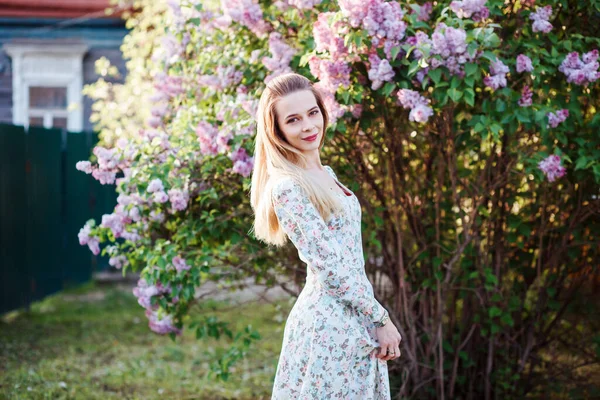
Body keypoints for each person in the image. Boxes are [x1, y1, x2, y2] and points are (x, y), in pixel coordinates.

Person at [250, 72, 402, 399]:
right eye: (293, 120)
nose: (307, 126)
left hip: (354, 316)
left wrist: (369, 315)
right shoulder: (288, 188)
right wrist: (379, 317)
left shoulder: (325, 174)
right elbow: (330, 266)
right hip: (329, 326)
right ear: (277, 131)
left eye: (312, 113)